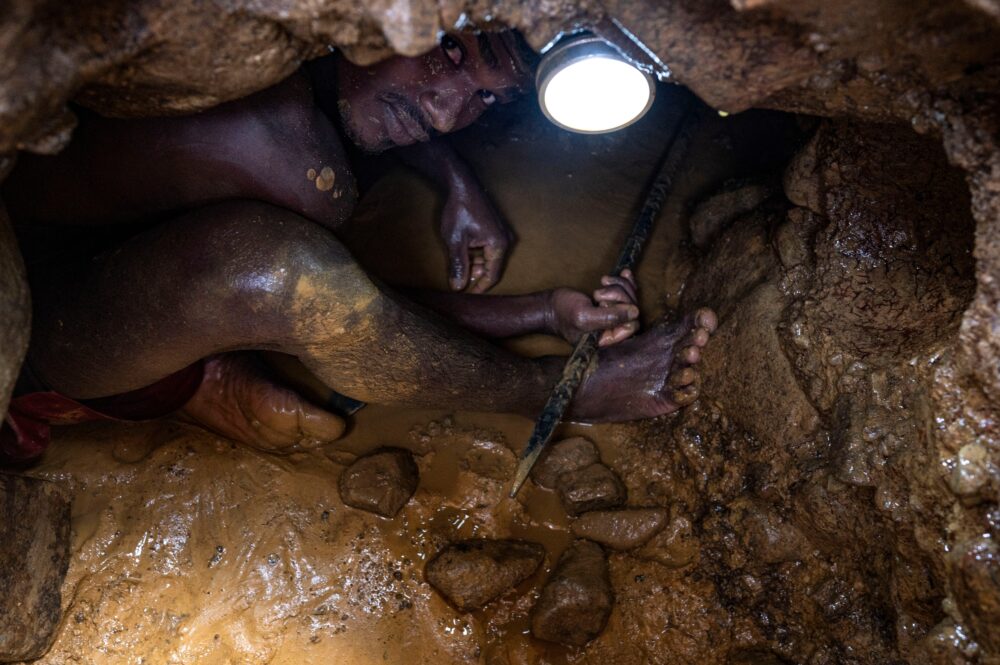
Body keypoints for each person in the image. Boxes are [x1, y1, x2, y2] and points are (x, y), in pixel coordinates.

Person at [0, 29, 716, 458]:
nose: (447, 112)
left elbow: (369, 88)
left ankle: (208, 374)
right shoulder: (290, 161)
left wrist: (459, 183)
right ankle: (564, 395)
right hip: (37, 333)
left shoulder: (300, 75)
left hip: (114, 256)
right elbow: (353, 316)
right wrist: (547, 350)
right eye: (451, 53)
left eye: (490, 99)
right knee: (285, 275)